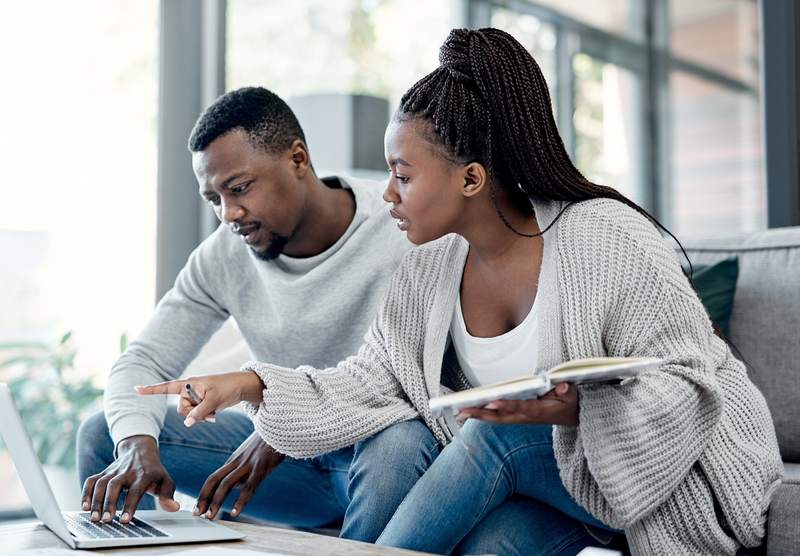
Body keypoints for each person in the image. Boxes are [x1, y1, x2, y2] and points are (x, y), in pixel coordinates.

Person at [138, 29, 783, 555]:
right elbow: (372, 382)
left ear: (471, 177)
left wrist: (573, 411)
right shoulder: (428, 270)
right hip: (564, 481)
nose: (385, 194)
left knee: (490, 437)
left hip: (672, 474)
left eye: (401, 175)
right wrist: (250, 383)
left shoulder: (605, 240)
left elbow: (687, 385)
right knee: (490, 546)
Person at [75, 86, 436, 543]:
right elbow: (142, 363)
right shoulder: (224, 256)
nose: (228, 213)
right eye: (213, 198)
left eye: (240, 188)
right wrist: (135, 444)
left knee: (401, 442)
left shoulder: (400, 232)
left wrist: (288, 426)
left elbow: (419, 383)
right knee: (106, 434)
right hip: (292, 475)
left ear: (298, 159)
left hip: (372, 456)